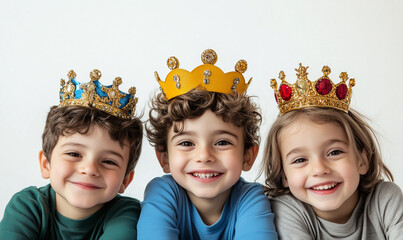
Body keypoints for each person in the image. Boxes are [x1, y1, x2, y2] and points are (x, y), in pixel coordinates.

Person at [137, 49, 277, 239]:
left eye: (222, 142)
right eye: (186, 143)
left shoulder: (250, 198)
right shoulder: (163, 193)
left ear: (247, 156)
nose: (204, 156)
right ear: (164, 157)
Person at [261, 64, 403, 239]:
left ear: (362, 161)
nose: (320, 169)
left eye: (334, 152)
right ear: (283, 175)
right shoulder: (287, 210)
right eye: (300, 160)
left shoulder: (385, 199)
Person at [0, 69, 143, 240]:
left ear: (125, 180)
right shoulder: (27, 205)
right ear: (46, 164)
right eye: (74, 154)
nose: (89, 169)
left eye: (109, 161)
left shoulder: (126, 213)